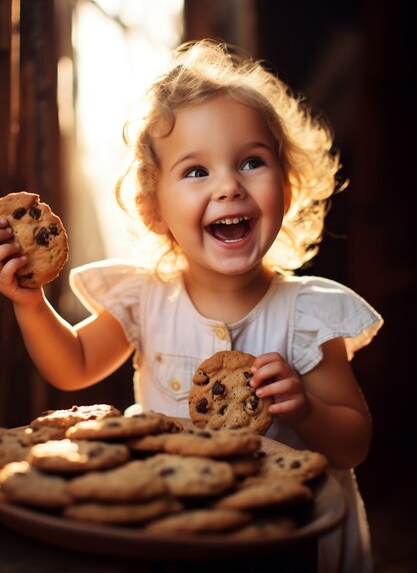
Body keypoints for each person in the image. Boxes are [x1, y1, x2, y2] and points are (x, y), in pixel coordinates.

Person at [0, 39, 382, 572]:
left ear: (288, 188)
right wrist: (31, 304)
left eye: (251, 161)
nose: (228, 186)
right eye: (197, 171)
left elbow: (353, 445)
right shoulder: (145, 298)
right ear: (153, 207)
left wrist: (308, 410)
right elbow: (73, 366)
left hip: (285, 540)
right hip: (175, 531)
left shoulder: (307, 316)